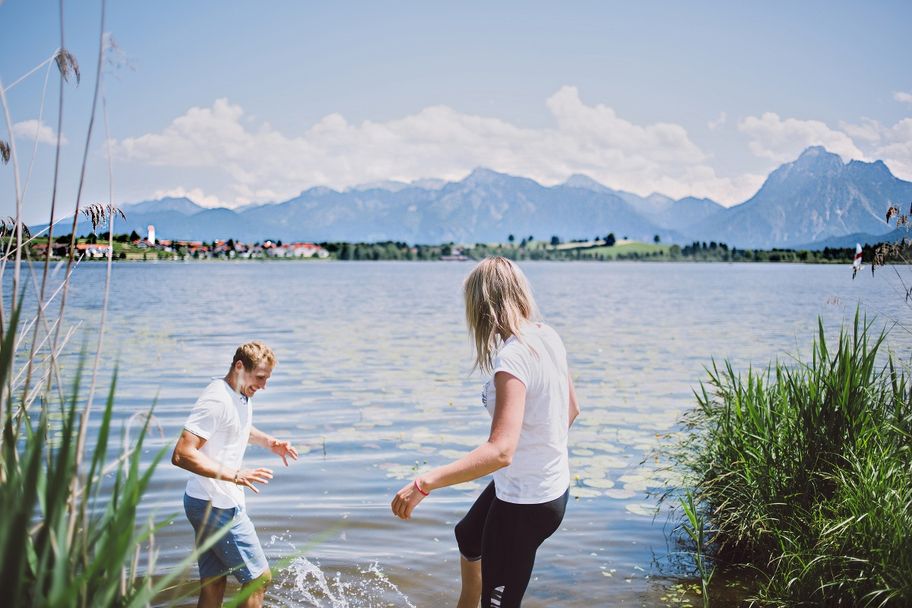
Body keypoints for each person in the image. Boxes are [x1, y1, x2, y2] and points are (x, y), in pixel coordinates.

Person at [391, 257, 580, 608]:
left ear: (482, 305)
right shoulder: (547, 335)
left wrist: (424, 483)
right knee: (469, 536)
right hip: (549, 489)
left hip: (527, 504)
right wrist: (538, 456)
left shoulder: (513, 359)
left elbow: (500, 451)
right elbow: (571, 409)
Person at [172, 341, 299, 608]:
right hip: (217, 504)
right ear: (239, 367)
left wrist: (269, 442)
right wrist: (234, 475)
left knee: (214, 582)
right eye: (260, 377)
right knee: (258, 579)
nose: (264, 385)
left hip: (202, 501)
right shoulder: (216, 398)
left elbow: (236, 425)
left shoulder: (238, 393)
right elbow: (182, 453)